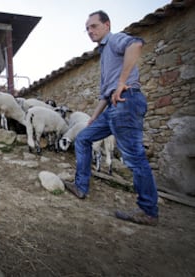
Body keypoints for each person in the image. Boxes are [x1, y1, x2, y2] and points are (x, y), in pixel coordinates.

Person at [64, 10, 159, 226]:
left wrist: (121, 83)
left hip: (126, 101)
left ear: (107, 25)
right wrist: (94, 118)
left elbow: (136, 45)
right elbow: (104, 94)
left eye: (94, 26)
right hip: (112, 107)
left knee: (134, 157)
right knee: (83, 138)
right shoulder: (105, 54)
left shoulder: (116, 40)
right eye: (87, 28)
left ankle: (148, 211)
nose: (90, 31)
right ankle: (81, 187)